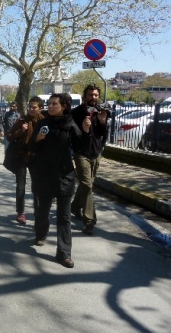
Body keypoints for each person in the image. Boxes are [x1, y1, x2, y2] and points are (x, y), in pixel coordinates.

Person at [28, 93, 91, 268]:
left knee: (64, 216)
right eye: (49, 103)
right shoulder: (43, 123)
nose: (50, 106)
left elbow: (82, 148)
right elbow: (31, 147)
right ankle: (41, 234)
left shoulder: (70, 124)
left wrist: (86, 131)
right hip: (44, 173)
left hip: (64, 174)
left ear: (64, 106)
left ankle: (64, 253)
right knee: (43, 209)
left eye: (54, 104)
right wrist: (37, 139)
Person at [70, 85, 108, 235]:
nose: (94, 97)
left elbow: (103, 134)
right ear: (84, 96)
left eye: (96, 95)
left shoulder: (101, 111)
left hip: (96, 153)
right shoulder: (76, 113)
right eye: (91, 95)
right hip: (81, 153)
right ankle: (90, 220)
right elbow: (74, 135)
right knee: (87, 184)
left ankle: (74, 207)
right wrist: (84, 130)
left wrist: (103, 122)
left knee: (87, 184)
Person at [6, 96, 44, 224]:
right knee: (21, 186)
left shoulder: (44, 121)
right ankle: (20, 212)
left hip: (36, 158)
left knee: (37, 186)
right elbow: (9, 136)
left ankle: (38, 211)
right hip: (21, 157)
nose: (31, 109)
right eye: (30, 107)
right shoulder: (22, 120)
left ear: (40, 108)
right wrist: (21, 131)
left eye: (34, 107)